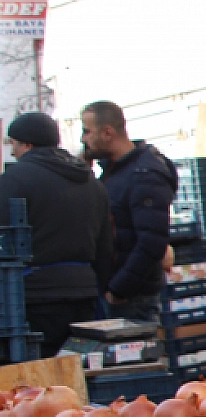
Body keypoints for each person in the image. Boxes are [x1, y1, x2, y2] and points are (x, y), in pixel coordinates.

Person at [0, 113, 114, 354]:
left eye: (14, 145)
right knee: (77, 369)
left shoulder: (13, 181)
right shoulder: (92, 183)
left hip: (33, 298)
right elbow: (105, 248)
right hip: (84, 295)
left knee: (38, 377)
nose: (13, 153)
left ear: (27, 145)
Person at [80, 101, 177, 323]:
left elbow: (152, 242)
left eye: (87, 132)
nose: (83, 139)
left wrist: (119, 289)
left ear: (107, 133)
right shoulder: (112, 172)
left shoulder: (144, 175)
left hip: (131, 297)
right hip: (114, 290)